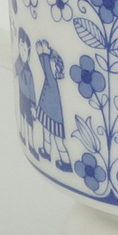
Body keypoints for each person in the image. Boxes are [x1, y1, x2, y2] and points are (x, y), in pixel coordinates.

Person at [35, 40, 72, 172]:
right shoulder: (51, 81)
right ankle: (46, 151)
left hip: (54, 116)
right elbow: (46, 70)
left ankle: (66, 162)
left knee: (58, 140)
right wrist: (45, 54)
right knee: (47, 134)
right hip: (48, 112)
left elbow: (47, 70)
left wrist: (44, 54)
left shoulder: (52, 81)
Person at [14, 28, 38, 160]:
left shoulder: (29, 73)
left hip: (29, 100)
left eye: (25, 49)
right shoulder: (20, 65)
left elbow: (33, 91)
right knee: (23, 120)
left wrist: (34, 105)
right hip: (23, 96)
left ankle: (32, 144)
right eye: (21, 48)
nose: (23, 52)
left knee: (30, 124)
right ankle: (25, 138)